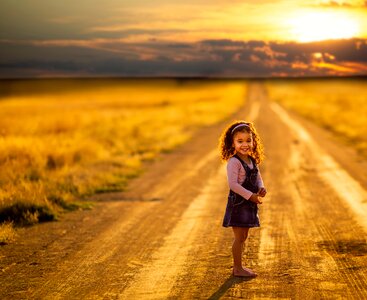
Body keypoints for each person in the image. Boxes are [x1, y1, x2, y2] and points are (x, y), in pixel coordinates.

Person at [219, 121, 266, 277]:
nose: (245, 144)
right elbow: (233, 185)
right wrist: (250, 195)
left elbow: (258, 177)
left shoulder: (252, 160)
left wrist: (260, 188)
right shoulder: (234, 162)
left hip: (249, 203)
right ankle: (237, 268)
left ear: (253, 141)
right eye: (240, 141)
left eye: (248, 140)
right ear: (232, 143)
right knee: (239, 237)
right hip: (239, 204)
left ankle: (239, 267)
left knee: (244, 236)